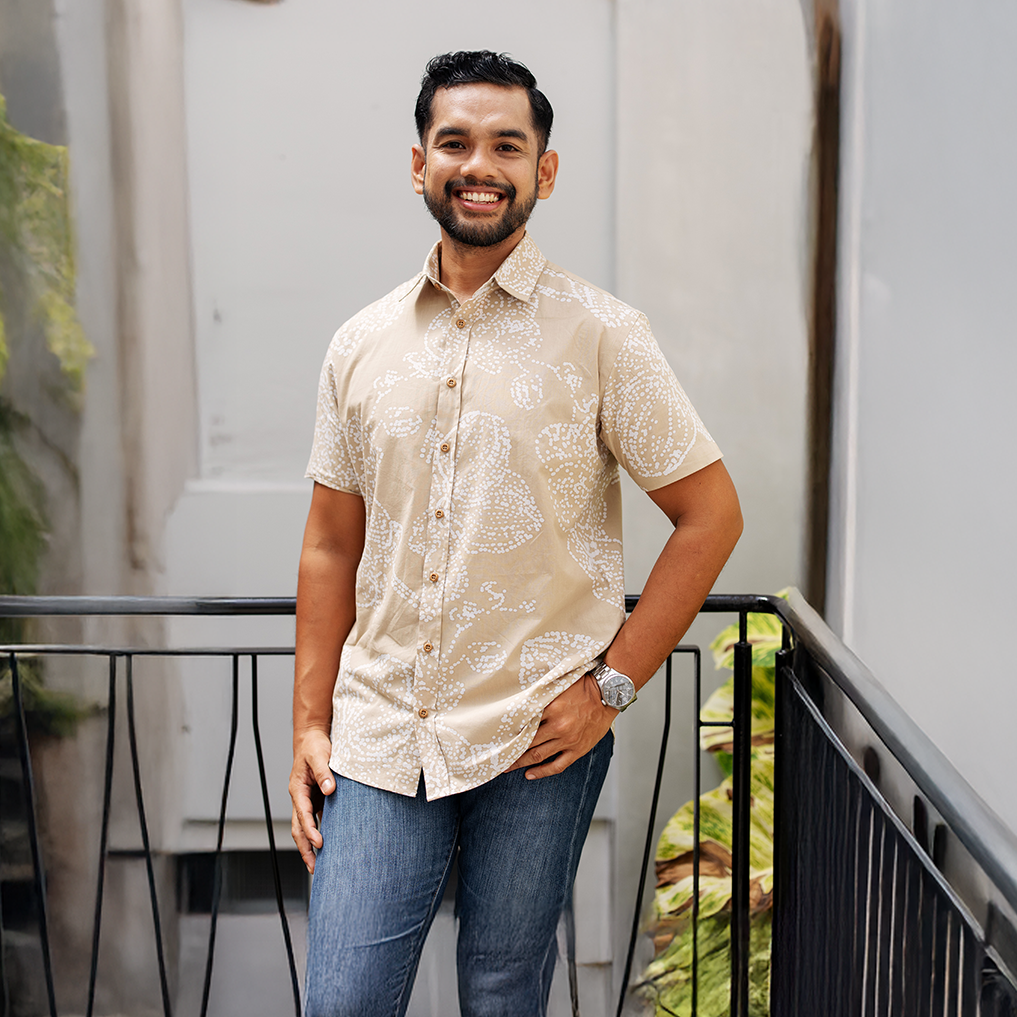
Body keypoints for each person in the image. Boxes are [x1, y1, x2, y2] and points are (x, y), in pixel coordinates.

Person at [289, 50, 742, 1017]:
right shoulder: (359, 344)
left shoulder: (603, 335)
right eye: (454, 142)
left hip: (539, 734)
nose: (478, 164)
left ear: (543, 169)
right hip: (379, 736)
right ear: (420, 165)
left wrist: (609, 688)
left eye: (507, 144)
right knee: (344, 1000)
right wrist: (309, 723)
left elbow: (709, 517)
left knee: (502, 991)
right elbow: (330, 541)